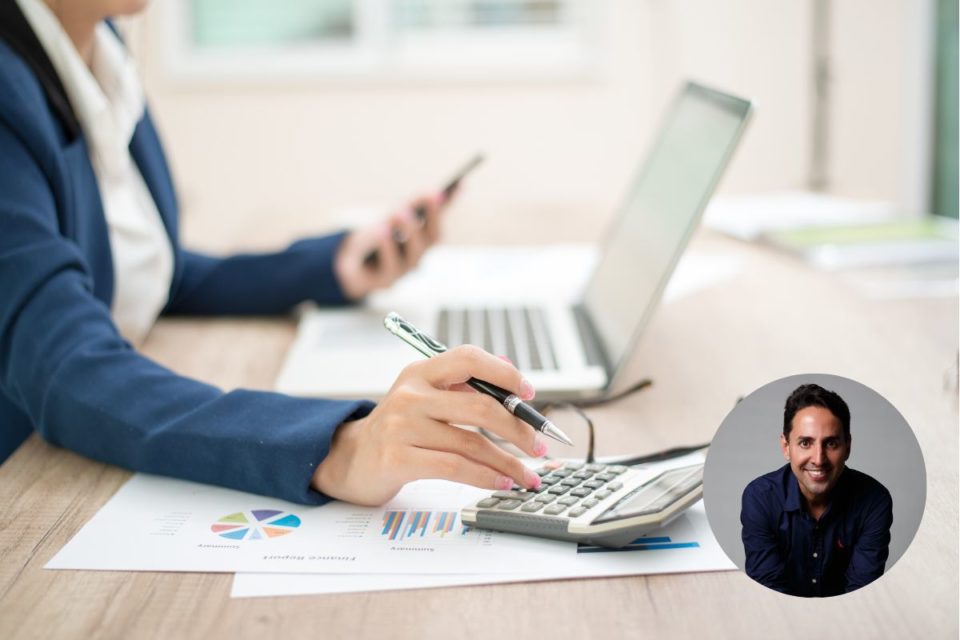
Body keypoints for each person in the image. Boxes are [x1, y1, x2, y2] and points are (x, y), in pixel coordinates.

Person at [0, 0, 547, 507]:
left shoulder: (103, 48)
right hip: (29, 490)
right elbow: (64, 363)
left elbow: (147, 274)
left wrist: (333, 266)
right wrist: (337, 445)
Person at [740, 383, 893, 597]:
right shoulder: (760, 498)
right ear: (786, 447)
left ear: (847, 447)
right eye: (805, 443)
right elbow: (768, 591)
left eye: (831, 444)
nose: (819, 459)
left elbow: (862, 592)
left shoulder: (874, 501)